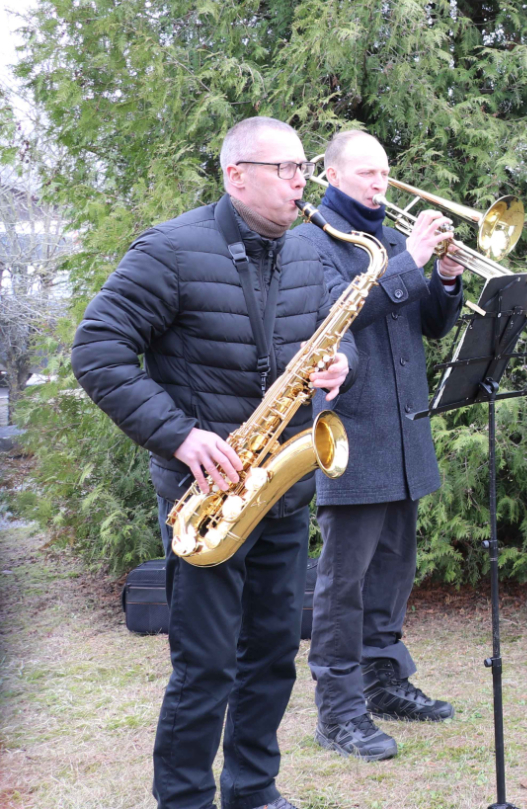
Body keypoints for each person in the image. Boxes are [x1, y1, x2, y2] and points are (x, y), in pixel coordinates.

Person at [71, 116, 352, 809]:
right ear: (236, 174)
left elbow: (331, 337)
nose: (299, 183)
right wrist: (180, 436)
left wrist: (343, 365)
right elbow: (97, 349)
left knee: (272, 657)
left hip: (280, 492)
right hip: (208, 495)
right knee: (204, 667)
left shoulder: (312, 252)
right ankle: (187, 799)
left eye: (301, 170)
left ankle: (253, 789)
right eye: (284, 169)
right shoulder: (169, 249)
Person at [291, 129, 465, 761]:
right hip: (350, 434)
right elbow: (335, 315)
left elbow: (431, 326)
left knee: (394, 570)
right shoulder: (312, 242)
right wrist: (411, 260)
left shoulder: (392, 239)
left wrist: (444, 278)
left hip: (403, 431)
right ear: (331, 177)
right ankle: (336, 712)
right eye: (366, 174)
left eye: (385, 172)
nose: (379, 184)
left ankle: (383, 681)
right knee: (344, 583)